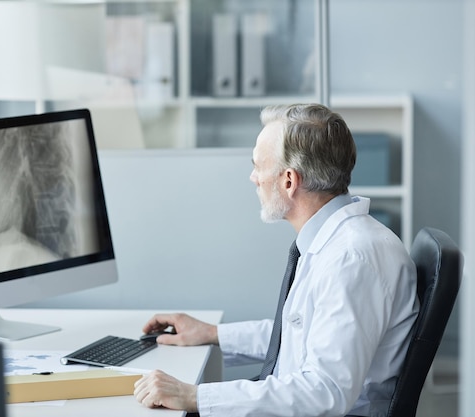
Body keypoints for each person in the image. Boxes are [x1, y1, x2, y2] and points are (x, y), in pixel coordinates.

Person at [133, 103, 419, 417]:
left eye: (258, 166)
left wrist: (195, 396)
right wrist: (212, 333)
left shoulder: (351, 260)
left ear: (288, 181)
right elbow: (303, 331)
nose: (253, 177)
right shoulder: (336, 243)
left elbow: (325, 392)